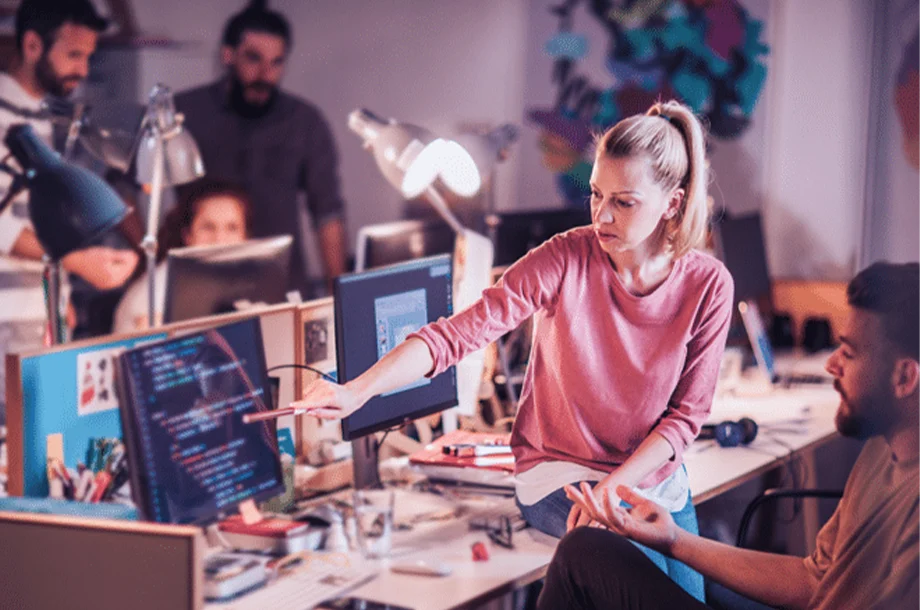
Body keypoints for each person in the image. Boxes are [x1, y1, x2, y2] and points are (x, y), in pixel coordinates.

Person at [291, 100, 734, 600]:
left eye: (624, 202)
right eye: (595, 194)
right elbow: (456, 335)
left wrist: (613, 492)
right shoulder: (565, 257)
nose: (601, 215)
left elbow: (685, 418)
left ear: (672, 204)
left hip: (651, 481)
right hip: (560, 472)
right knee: (644, 586)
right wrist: (357, 391)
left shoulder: (709, 284)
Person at [537, 261, 920, 610]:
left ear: (904, 377)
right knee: (636, 562)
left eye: (849, 353)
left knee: (581, 556)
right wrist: (673, 539)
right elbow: (815, 578)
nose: (831, 363)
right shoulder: (881, 448)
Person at [0, 0, 138, 423]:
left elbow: (36, 216)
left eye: (89, 56)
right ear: (32, 45)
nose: (82, 69)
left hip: (37, 313)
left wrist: (55, 296)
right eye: (73, 54)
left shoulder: (41, 117)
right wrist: (77, 261)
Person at [174, 0, 347, 297]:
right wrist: (143, 263)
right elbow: (125, 187)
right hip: (199, 287)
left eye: (276, 62)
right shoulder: (186, 113)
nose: (265, 73)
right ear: (228, 55)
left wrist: (339, 296)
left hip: (283, 287)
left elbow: (327, 213)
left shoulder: (304, 121)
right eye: (254, 59)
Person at [113, 179, 252, 333]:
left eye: (232, 228)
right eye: (207, 227)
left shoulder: (245, 283)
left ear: (245, 237)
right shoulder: (154, 293)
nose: (219, 240)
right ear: (188, 236)